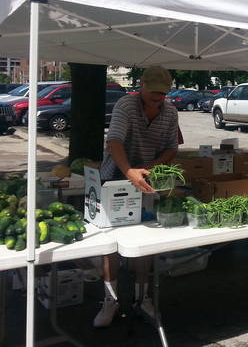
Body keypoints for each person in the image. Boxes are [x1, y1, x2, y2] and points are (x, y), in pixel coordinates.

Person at [94, 66, 179, 328]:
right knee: (111, 243)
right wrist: (129, 171)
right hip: (114, 178)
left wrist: (151, 168)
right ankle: (110, 300)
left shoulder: (171, 112)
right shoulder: (125, 105)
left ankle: (143, 298)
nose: (158, 97)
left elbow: (171, 148)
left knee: (145, 240)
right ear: (141, 85)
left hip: (147, 181)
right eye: (154, 92)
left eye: (162, 93)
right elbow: (115, 141)